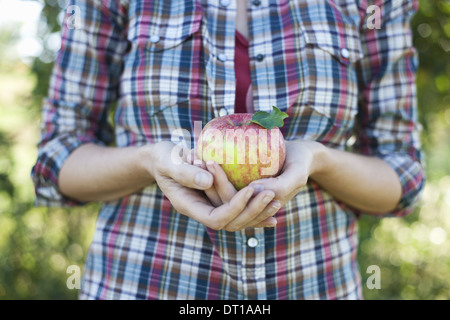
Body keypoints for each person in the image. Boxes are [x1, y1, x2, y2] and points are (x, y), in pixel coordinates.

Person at [31, 0, 425, 299]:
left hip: (314, 283)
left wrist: (318, 160)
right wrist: (147, 162)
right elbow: (59, 159)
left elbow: (400, 175)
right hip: (143, 282)